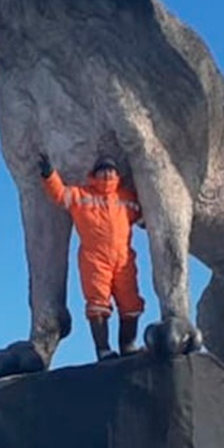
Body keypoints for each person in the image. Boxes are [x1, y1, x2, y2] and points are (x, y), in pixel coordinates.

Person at [39, 153, 145, 361]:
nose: (107, 173)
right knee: (98, 302)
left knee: (131, 301)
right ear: (94, 174)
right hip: (94, 259)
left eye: (111, 170)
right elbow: (60, 194)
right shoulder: (82, 195)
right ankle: (103, 349)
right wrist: (49, 174)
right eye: (103, 170)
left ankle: (128, 345)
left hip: (124, 258)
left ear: (117, 175)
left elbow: (145, 214)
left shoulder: (126, 198)